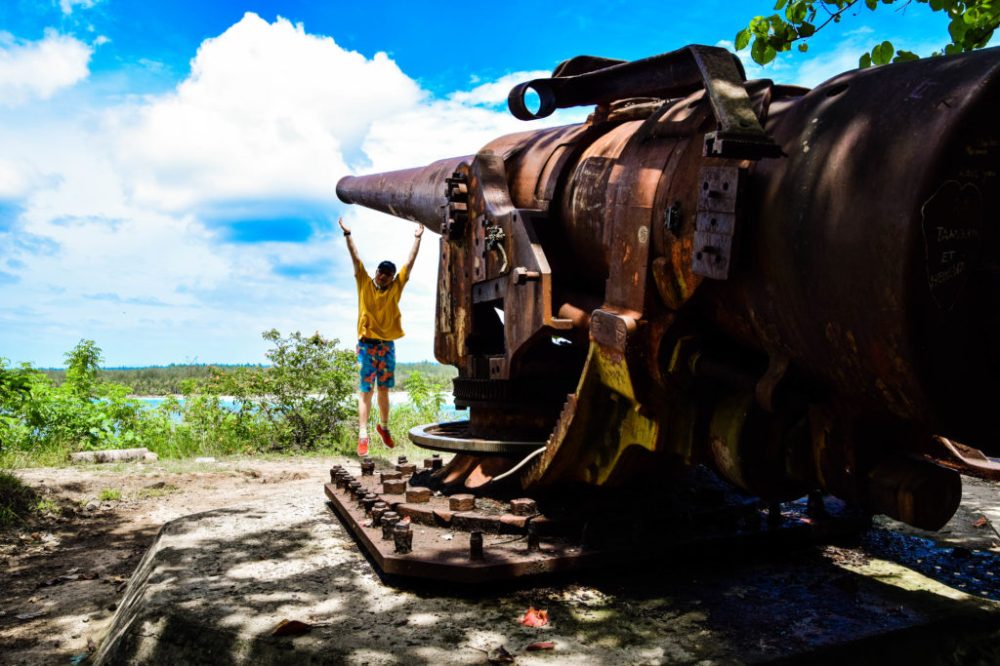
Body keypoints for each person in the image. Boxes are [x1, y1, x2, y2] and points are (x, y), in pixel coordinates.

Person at [339, 217, 424, 456]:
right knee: (366, 391)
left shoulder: (396, 288)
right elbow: (356, 258)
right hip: (366, 346)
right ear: (376, 272)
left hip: (387, 346)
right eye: (381, 272)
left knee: (384, 390)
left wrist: (417, 238)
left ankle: (383, 428)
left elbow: (410, 263)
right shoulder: (364, 283)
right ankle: (363, 435)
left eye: (388, 274)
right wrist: (348, 235)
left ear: (393, 277)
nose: (384, 276)